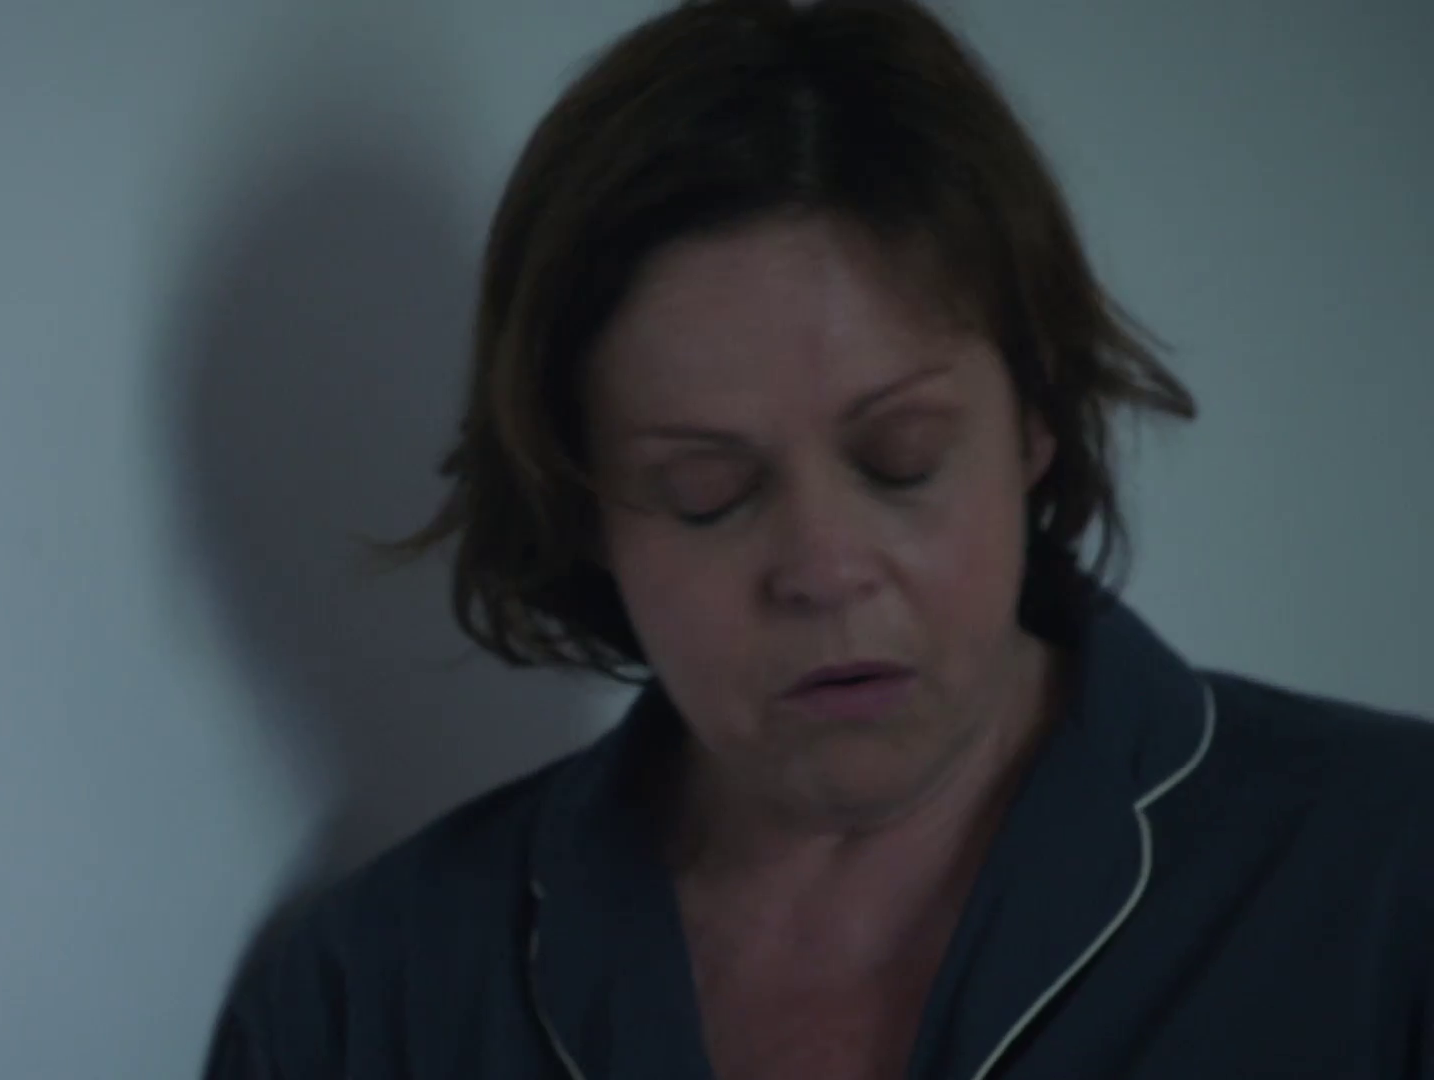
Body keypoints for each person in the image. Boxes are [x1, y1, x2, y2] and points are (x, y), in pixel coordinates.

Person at [206, 1, 1434, 1077]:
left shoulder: (1392, 876)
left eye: (902, 459)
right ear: (584, 511)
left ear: (1035, 423)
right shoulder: (367, 1002)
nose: (827, 568)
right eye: (706, 493)